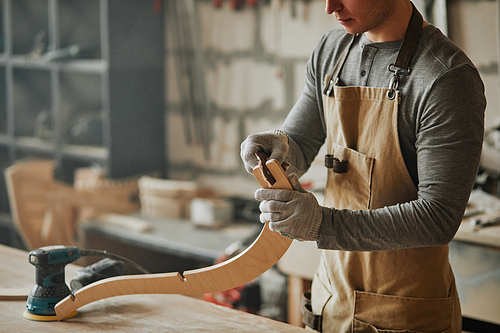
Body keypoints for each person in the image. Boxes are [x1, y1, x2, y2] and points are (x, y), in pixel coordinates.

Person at [240, 0, 486, 332]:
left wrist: (321, 224)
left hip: (402, 314)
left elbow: (438, 217)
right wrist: (278, 145)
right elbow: (300, 139)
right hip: (332, 297)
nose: (330, 7)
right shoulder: (332, 50)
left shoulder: (446, 77)